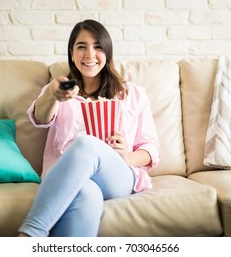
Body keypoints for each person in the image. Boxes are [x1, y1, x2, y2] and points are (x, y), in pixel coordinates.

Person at [18, 19, 160, 237]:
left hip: (117, 176)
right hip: (71, 176)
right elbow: (41, 117)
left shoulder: (132, 93)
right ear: (72, 53)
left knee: (87, 143)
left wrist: (126, 157)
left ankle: (31, 233)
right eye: (81, 46)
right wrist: (51, 95)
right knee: (86, 193)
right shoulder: (61, 88)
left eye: (98, 47)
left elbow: (151, 148)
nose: (89, 54)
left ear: (107, 53)